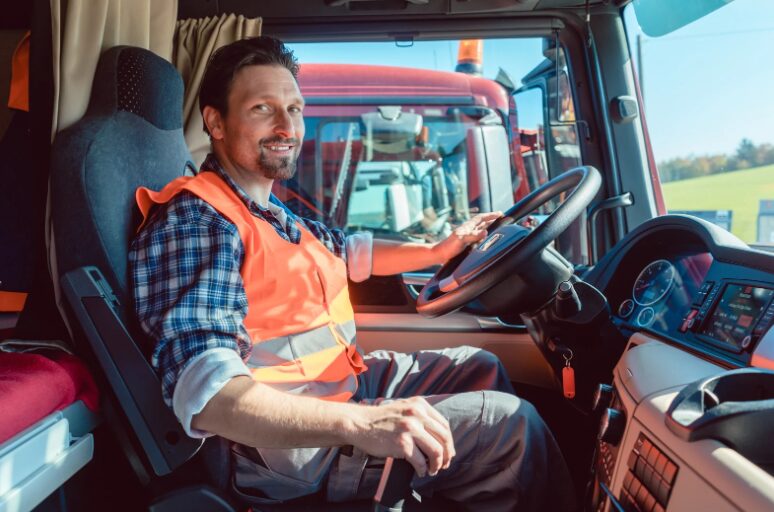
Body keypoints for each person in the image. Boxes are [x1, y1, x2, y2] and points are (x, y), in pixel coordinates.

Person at [129, 36, 574, 510]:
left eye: (295, 109)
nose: (287, 127)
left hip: (330, 388)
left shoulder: (265, 209)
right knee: (510, 427)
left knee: (479, 366)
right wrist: (364, 424)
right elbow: (211, 396)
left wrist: (438, 248)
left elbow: (347, 250)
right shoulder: (200, 221)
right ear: (215, 121)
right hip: (281, 451)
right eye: (263, 108)